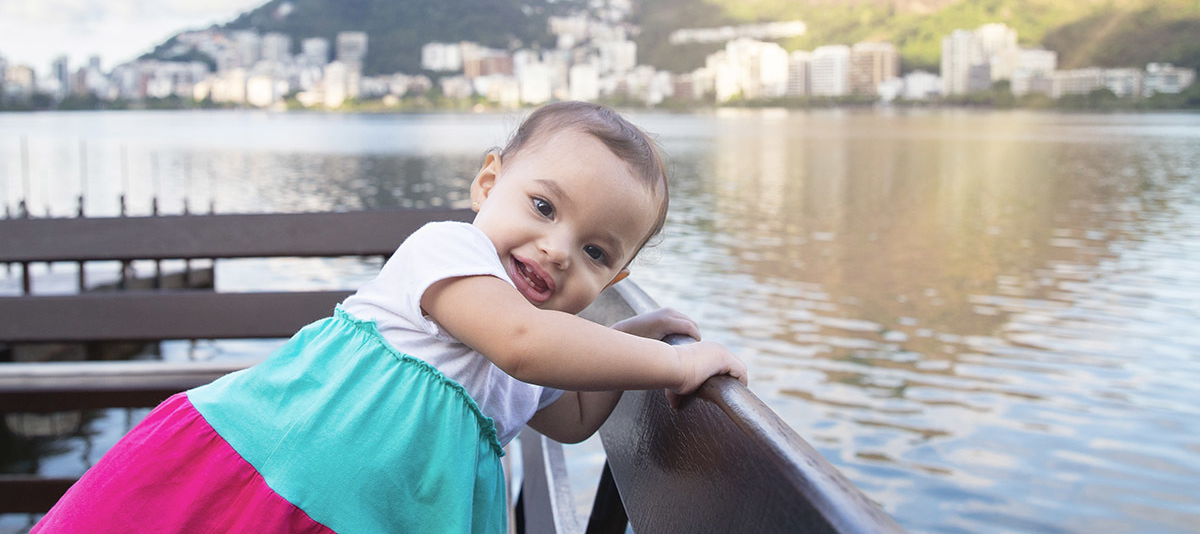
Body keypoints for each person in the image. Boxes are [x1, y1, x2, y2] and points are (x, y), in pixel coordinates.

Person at [34, 101, 747, 534]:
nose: (556, 250)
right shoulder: (449, 251)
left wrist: (633, 338)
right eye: (542, 207)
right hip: (280, 478)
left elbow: (572, 415)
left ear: (616, 278)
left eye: (595, 250)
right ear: (488, 183)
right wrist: (677, 363)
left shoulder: (539, 341)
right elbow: (523, 345)